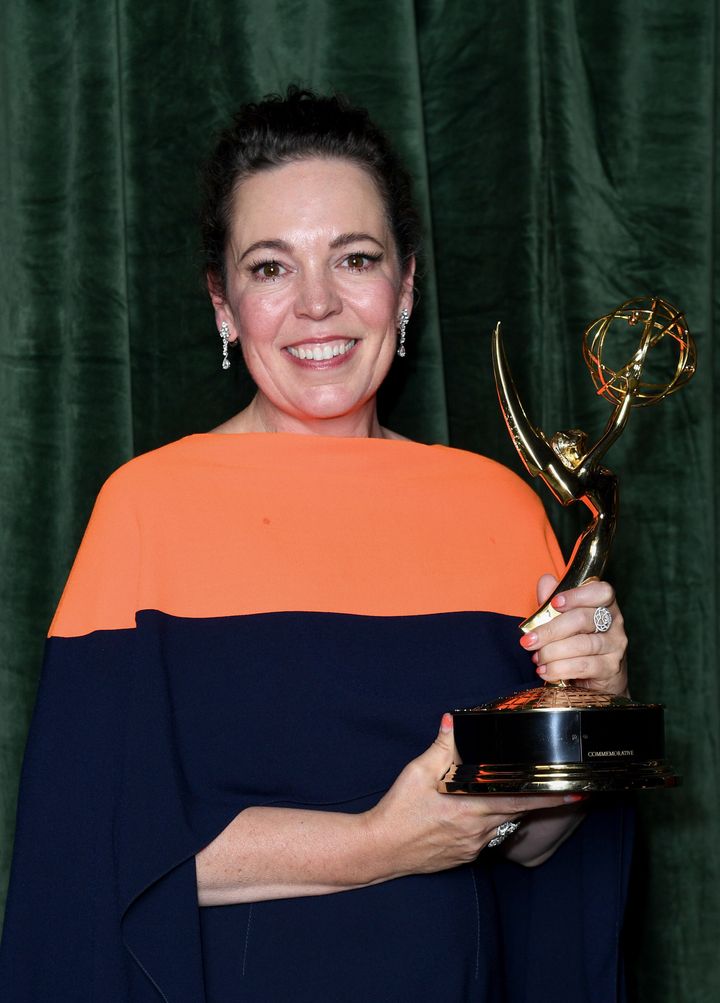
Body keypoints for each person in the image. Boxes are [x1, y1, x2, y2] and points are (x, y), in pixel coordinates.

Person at [0, 89, 631, 1002]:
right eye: (270, 268)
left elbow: (534, 843)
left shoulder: (499, 505)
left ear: (406, 286)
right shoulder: (145, 507)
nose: (319, 305)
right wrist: (380, 841)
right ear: (222, 303)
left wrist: (589, 711)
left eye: (356, 258)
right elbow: (91, 856)